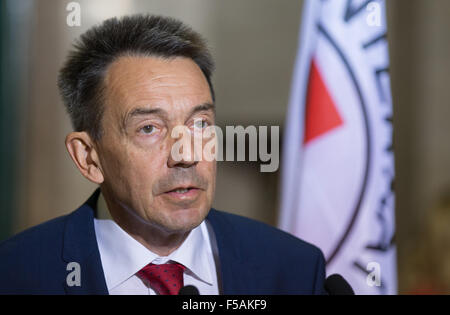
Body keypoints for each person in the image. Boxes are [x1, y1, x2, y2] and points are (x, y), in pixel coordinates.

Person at [0, 14, 326, 295]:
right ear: (88, 157)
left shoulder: (293, 268)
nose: (186, 155)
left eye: (200, 124)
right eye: (149, 129)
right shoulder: (16, 275)